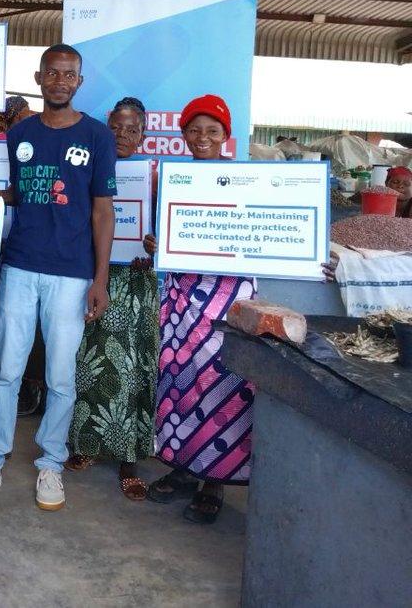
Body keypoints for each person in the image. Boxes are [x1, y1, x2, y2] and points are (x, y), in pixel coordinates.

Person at [0, 44, 116, 511]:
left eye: (69, 74)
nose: (60, 81)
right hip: (20, 265)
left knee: (60, 376)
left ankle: (51, 463)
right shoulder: (20, 134)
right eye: (53, 73)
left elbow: (103, 211)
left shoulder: (97, 136)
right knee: (7, 369)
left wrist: (100, 279)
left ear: (79, 81)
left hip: (72, 274)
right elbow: (26, 190)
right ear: (39, 78)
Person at [147, 94, 253, 525]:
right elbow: (158, 231)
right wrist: (155, 243)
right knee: (180, 383)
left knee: (223, 383)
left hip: (228, 297)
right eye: (194, 130)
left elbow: (262, 232)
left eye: (212, 130)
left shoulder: (247, 181)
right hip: (181, 297)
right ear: (183, 135)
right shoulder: (172, 180)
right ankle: (183, 466)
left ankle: (215, 480)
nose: (202, 137)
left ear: (226, 135)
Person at [64, 96, 159, 501]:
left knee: (133, 368)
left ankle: (129, 460)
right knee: (87, 361)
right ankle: (86, 444)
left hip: (135, 282)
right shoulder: (86, 169)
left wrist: (154, 246)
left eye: (131, 129)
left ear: (143, 135)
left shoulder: (155, 178)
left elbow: (170, 231)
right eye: (115, 128)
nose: (122, 135)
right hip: (90, 275)